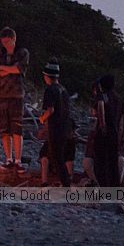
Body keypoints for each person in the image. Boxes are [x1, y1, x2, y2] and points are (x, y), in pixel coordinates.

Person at [0, 27, 29, 172]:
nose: (5, 45)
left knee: (17, 128)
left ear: (14, 40)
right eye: (3, 43)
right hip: (1, 95)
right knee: (4, 129)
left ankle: (18, 161)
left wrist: (5, 69)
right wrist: (9, 68)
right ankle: (8, 160)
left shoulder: (22, 52)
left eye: (8, 42)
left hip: (16, 96)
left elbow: (19, 69)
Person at [38, 58, 74, 187]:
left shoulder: (50, 90)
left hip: (56, 129)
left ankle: (66, 185)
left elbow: (51, 110)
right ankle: (64, 182)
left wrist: (42, 118)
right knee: (58, 156)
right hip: (65, 127)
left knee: (56, 157)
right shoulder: (63, 90)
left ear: (47, 76)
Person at [87, 74, 124, 186]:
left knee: (100, 162)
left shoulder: (103, 96)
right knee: (112, 163)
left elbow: (100, 106)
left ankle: (102, 186)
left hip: (103, 133)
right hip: (115, 134)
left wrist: (102, 124)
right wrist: (123, 136)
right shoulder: (119, 98)